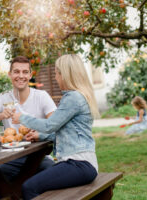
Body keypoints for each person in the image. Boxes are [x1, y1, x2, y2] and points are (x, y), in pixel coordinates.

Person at [12, 54, 100, 200]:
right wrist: (40, 136)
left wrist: (21, 117)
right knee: (35, 182)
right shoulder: (78, 96)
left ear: (65, 75)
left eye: (57, 73)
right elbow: (65, 132)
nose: (55, 78)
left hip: (78, 164)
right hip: (81, 164)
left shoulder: (73, 98)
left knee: (29, 187)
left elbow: (49, 125)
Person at [0, 56, 57, 197]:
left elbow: (54, 124)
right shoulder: (2, 98)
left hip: (39, 155)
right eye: (16, 72)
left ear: (30, 75)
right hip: (11, 158)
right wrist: (0, 116)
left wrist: (39, 130)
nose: (21, 76)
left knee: (53, 175)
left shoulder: (41, 96)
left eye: (24, 72)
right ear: (10, 74)